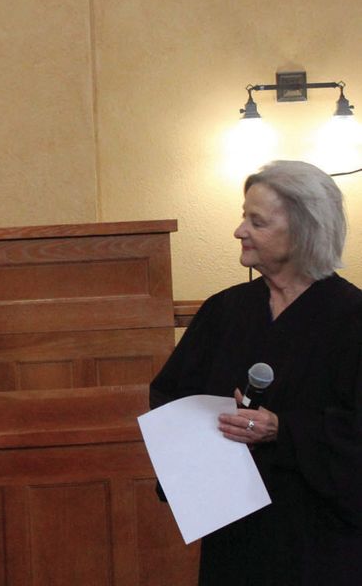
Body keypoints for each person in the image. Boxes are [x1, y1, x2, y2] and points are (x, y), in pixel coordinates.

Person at [149, 160, 362, 584]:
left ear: (304, 232)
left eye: (257, 221)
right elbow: (171, 396)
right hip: (235, 532)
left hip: (320, 538)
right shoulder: (224, 311)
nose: (239, 230)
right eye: (244, 216)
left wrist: (283, 428)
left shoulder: (352, 319)